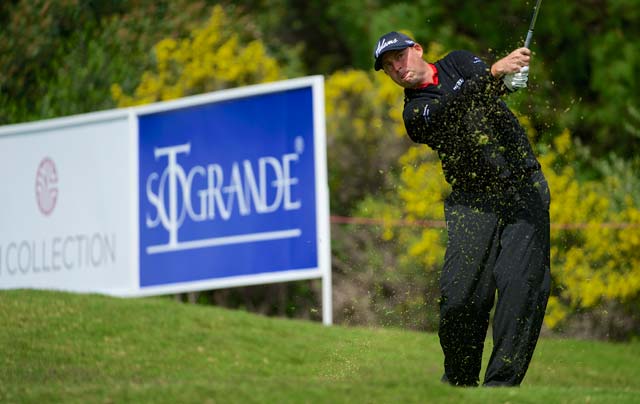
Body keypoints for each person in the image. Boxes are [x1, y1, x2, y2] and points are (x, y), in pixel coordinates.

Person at [373, 31, 551, 387]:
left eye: (399, 58)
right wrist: (495, 76)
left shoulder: (457, 60)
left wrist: (507, 80)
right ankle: (459, 383)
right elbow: (451, 112)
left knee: (520, 290)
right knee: (459, 299)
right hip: (472, 201)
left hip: (522, 188)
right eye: (389, 68)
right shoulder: (415, 112)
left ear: (417, 50)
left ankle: (501, 388)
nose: (397, 69)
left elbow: (484, 93)